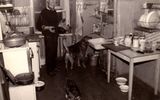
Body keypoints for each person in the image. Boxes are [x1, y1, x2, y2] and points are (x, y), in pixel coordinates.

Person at [36, 0, 65, 76]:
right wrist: (47, 28)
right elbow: (39, 25)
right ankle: (49, 71)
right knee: (49, 53)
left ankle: (54, 67)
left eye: (54, 3)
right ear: (48, 3)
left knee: (54, 52)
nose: (53, 4)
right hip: (48, 36)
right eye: (52, 3)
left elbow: (55, 24)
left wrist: (60, 24)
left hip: (55, 35)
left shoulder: (54, 11)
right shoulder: (44, 12)